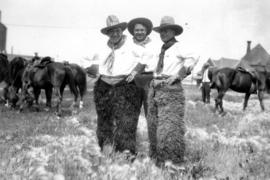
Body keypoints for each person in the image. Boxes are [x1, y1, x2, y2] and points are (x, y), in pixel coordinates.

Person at [147, 16, 201, 166]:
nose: (163, 33)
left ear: (173, 31)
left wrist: (178, 76)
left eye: (166, 30)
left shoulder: (179, 46)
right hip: (155, 89)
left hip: (170, 90)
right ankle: (156, 160)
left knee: (169, 128)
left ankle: (172, 163)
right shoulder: (161, 49)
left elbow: (194, 58)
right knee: (153, 126)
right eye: (161, 31)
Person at [89, 15, 144, 155]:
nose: (114, 34)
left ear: (122, 30)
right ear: (107, 33)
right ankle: (106, 151)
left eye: (117, 30)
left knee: (126, 123)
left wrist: (136, 71)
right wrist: (91, 70)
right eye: (111, 31)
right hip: (104, 86)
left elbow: (146, 59)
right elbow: (90, 64)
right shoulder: (101, 48)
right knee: (104, 121)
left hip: (125, 87)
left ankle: (126, 155)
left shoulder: (132, 46)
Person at [127, 17, 159, 116]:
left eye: (142, 30)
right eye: (137, 30)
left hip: (148, 80)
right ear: (133, 31)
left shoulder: (154, 45)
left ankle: (151, 131)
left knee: (150, 112)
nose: (139, 32)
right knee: (130, 111)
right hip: (131, 80)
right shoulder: (127, 45)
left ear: (146, 31)